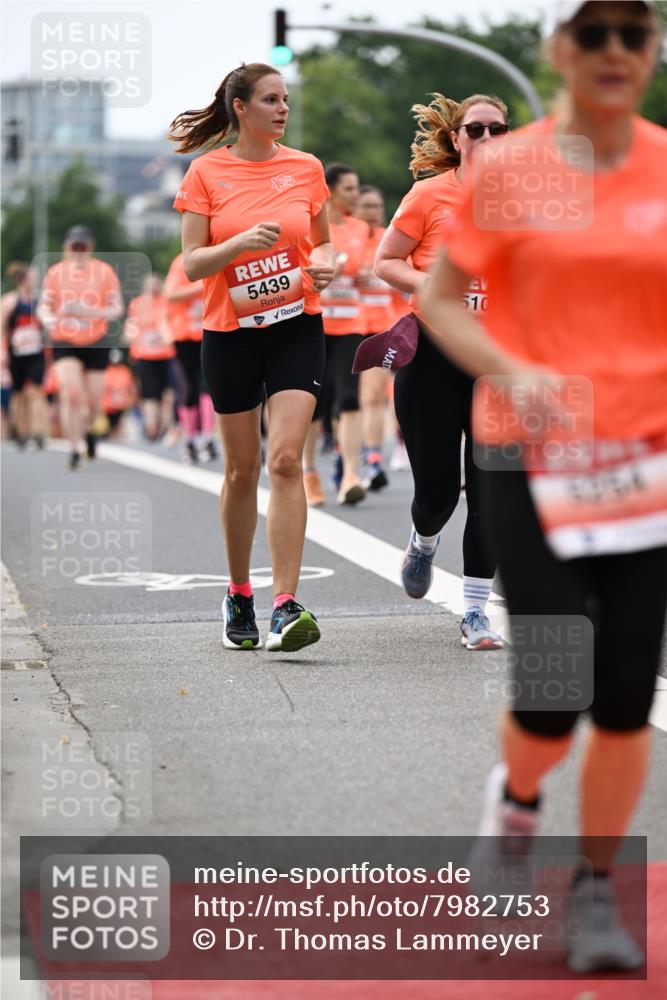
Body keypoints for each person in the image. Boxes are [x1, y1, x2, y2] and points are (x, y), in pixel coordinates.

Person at [420, 0, 666, 973]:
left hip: (643, 462)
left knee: (623, 693)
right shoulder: (513, 169)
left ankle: (596, 888)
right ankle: (516, 802)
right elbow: (440, 298)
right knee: (555, 687)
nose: (614, 51)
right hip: (529, 452)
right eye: (592, 34)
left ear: (648, 52)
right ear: (559, 51)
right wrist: (513, 371)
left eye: (633, 33)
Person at [169, 61, 334, 651]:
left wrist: (328, 263)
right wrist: (236, 243)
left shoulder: (306, 167)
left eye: (285, 99)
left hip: (297, 324)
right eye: (270, 99)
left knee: (286, 460)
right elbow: (191, 264)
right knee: (243, 470)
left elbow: (325, 239)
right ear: (241, 107)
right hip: (231, 331)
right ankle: (239, 592)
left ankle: (286, 607)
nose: (282, 108)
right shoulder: (207, 172)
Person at [375, 92, 509, 649]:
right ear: (456, 140)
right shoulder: (429, 194)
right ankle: (423, 539)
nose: (485, 140)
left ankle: (475, 612)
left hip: (499, 362)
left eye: (496, 130)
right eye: (474, 130)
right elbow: (385, 262)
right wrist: (430, 285)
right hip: (432, 355)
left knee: (494, 492)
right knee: (437, 493)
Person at [303, 163, 368, 507]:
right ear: (329, 190)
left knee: (349, 399)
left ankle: (351, 475)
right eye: (349, 189)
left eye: (357, 189)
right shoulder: (310, 225)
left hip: (351, 326)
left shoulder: (361, 229)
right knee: (314, 405)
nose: (356, 195)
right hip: (314, 323)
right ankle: (309, 472)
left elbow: (366, 273)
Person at [37, 225, 123, 469]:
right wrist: (48, 318)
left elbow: (116, 308)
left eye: (83, 246)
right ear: (67, 248)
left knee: (94, 401)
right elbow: (44, 305)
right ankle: (73, 448)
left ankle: (89, 433)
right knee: (71, 392)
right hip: (64, 339)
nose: (78, 250)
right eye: (74, 246)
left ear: (90, 247)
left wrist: (90, 311)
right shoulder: (56, 273)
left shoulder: (104, 272)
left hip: (95, 340)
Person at [355, 185, 404, 493]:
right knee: (348, 400)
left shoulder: (391, 237)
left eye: (377, 205)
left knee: (379, 394)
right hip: (347, 328)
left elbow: (405, 277)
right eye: (366, 206)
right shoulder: (343, 237)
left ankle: (377, 458)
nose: (373, 211)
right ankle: (347, 456)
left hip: (385, 327)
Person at [164, 251, 217, 463]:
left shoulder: (218, 255)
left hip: (211, 331)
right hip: (185, 335)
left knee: (208, 386)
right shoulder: (182, 261)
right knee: (188, 388)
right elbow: (170, 294)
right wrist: (201, 287)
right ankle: (190, 439)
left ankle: (207, 438)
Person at [1, 263, 49, 448]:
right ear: (23, 280)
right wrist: (3, 352)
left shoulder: (38, 303)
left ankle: (38, 431)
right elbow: (2, 329)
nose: (35, 281)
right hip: (16, 354)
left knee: (35, 391)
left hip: (35, 353)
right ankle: (21, 431)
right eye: (32, 278)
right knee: (19, 394)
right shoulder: (9, 302)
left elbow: (46, 325)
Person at [123, 273, 175, 441]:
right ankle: (152, 428)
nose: (153, 288)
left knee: (168, 394)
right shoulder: (137, 304)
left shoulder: (167, 302)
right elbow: (131, 326)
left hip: (166, 354)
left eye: (156, 284)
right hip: (144, 355)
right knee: (150, 394)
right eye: (150, 285)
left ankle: (165, 427)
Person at [102, 349, 136, 439]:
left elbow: (131, 386)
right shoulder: (106, 370)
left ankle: (116, 435)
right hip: (108, 404)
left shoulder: (125, 371)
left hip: (121, 403)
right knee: (109, 423)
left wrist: (132, 397)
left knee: (118, 423)